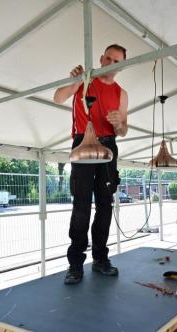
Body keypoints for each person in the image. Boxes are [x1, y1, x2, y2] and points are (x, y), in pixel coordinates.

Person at [53, 44, 128, 285]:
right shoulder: (84, 80)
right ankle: (75, 264)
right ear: (101, 58)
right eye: (108, 58)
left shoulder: (121, 93)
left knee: (105, 204)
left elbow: (124, 130)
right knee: (81, 204)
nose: (111, 63)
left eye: (116, 60)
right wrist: (74, 81)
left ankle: (100, 259)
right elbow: (58, 98)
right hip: (83, 143)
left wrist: (119, 123)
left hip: (108, 145)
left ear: (121, 65)